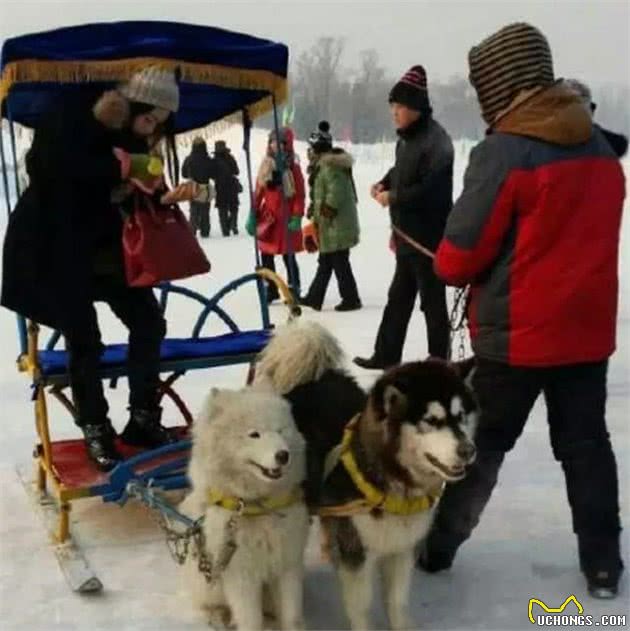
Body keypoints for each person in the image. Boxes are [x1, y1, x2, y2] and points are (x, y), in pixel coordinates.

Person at [420, 23, 626, 599]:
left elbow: (457, 258)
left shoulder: (503, 152)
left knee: (480, 447)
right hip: (586, 337)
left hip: (515, 340)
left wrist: (455, 256)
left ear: (501, 86)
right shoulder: (603, 149)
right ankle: (604, 566)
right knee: (587, 449)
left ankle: (438, 550)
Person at [1, 67, 182, 471]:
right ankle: (96, 428)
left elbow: (138, 198)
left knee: (148, 321)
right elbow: (48, 168)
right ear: (133, 104)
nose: (150, 129)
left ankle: (142, 419)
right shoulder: (74, 114)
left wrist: (165, 194)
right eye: (150, 118)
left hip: (107, 251)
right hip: (55, 247)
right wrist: (116, 168)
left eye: (158, 124)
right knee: (85, 338)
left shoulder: (135, 143)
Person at [354, 65, 453, 370]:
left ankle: (439, 363)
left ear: (416, 108)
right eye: (392, 107)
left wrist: (394, 197)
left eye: (399, 107)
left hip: (427, 239)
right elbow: (401, 172)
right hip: (405, 236)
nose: (394, 113)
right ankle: (386, 355)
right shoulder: (406, 140)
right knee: (398, 299)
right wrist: (385, 182)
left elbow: (432, 189)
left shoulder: (437, 141)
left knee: (432, 305)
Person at [300, 121, 362, 312]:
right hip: (332, 225)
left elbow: (336, 193)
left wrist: (324, 214)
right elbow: (320, 194)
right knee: (326, 262)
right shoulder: (323, 166)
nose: (308, 152)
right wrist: (314, 210)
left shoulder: (331, 167)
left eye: (311, 148)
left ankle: (351, 299)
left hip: (337, 225)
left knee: (339, 262)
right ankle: (314, 297)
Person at [247, 127, 305, 302]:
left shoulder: (293, 168)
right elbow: (258, 193)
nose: (275, 146)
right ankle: (270, 288)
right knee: (266, 257)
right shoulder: (265, 167)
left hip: (287, 220)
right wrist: (253, 213)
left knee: (289, 257)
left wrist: (297, 216)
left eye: (279, 143)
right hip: (269, 220)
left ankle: (293, 288)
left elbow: (299, 195)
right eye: (272, 142)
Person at [182, 137, 216, 238]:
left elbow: (183, 174)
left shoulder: (188, 159)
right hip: (205, 187)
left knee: (193, 210)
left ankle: (192, 231)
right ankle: (205, 231)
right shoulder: (208, 159)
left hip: (193, 187)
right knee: (205, 210)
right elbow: (213, 174)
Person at [213, 140, 241, 236]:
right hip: (231, 185)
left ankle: (225, 230)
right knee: (234, 207)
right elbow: (237, 171)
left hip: (220, 187)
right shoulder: (230, 158)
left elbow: (211, 175)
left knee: (222, 209)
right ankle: (233, 223)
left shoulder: (214, 161)